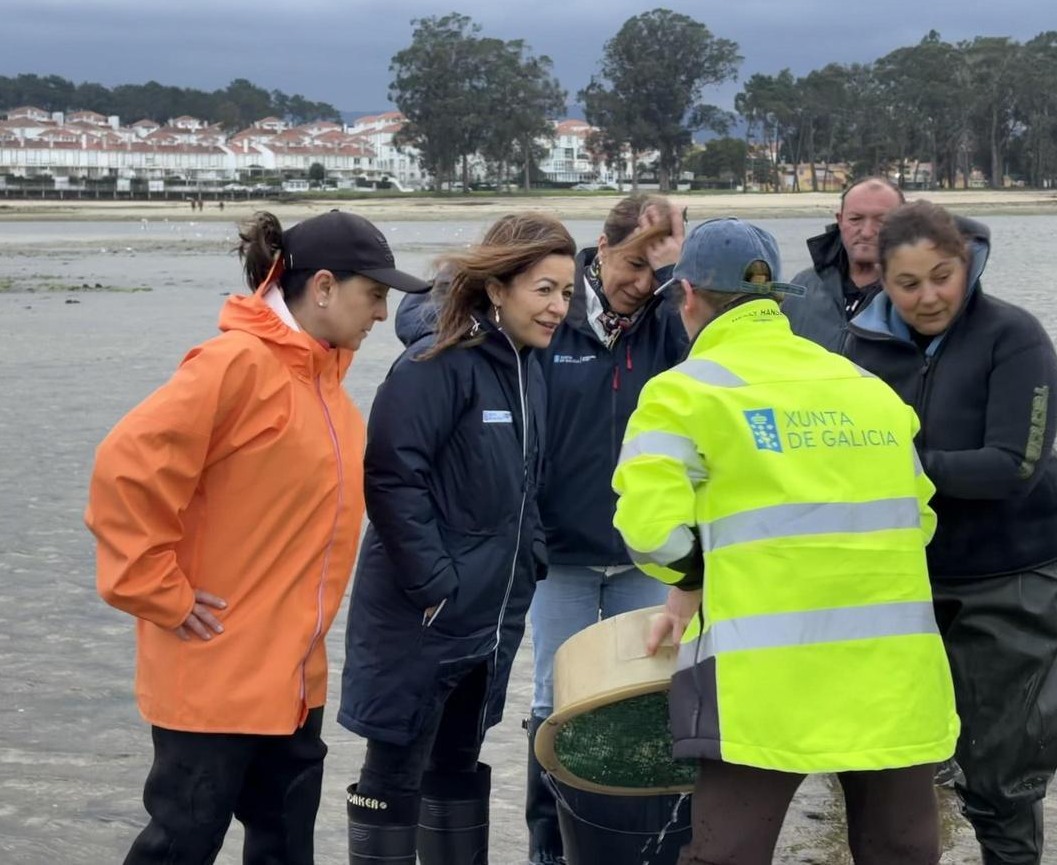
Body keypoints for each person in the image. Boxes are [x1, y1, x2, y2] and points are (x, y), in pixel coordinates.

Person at [84, 209, 429, 864]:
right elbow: (124, 469)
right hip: (214, 673)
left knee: (284, 846)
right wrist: (160, 592)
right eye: (375, 294)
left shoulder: (328, 388)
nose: (383, 315)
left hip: (296, 680)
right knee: (181, 844)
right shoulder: (235, 365)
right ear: (323, 287)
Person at [613, 217, 960, 865]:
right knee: (902, 854)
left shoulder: (683, 393)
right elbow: (920, 520)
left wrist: (692, 580)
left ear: (687, 296)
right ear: (777, 300)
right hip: (892, 677)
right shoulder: (867, 390)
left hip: (762, 681)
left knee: (725, 856)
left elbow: (648, 532)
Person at [338, 213, 577, 865]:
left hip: (487, 618)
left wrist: (527, 562)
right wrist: (435, 584)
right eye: (544, 290)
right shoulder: (433, 362)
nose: (559, 308)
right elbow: (390, 476)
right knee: (394, 775)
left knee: (457, 767)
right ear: (497, 288)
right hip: (422, 615)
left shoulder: (526, 366)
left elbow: (526, 485)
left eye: (566, 292)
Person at [843, 200, 1057, 865]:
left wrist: (897, 470)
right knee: (902, 749)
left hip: (1014, 570)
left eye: (941, 276)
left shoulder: (1014, 337)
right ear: (881, 281)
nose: (928, 297)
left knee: (1003, 761)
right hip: (908, 572)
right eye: (907, 284)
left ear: (965, 264)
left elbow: (1013, 466)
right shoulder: (858, 349)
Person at [525, 194, 689, 864]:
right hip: (559, 555)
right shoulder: (552, 310)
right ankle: (547, 848)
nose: (640, 285)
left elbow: (712, 364)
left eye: (659, 272)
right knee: (555, 703)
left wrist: (676, 281)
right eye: (631, 265)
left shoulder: (671, 320)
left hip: (643, 561)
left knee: (642, 705)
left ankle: (636, 846)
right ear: (600, 245)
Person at [780, 176, 905, 350]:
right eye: (855, 219)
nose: (867, 232)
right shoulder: (802, 288)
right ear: (840, 221)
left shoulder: (916, 296)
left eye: (882, 221)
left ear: (903, 224)